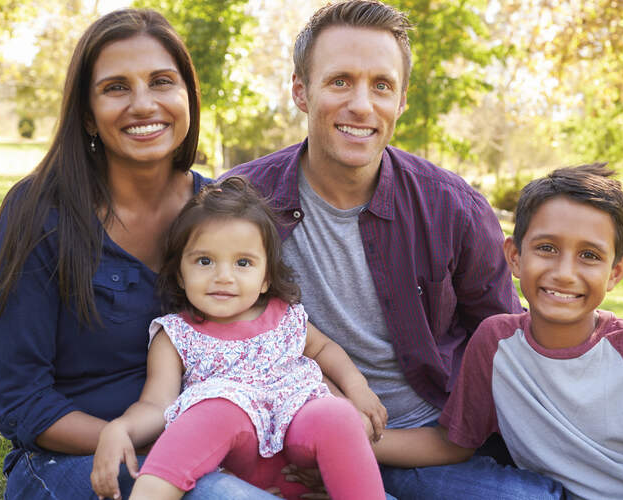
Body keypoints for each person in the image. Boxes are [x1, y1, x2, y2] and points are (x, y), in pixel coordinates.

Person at [221, 1, 565, 497]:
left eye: (381, 85)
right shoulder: (241, 201)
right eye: (340, 81)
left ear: (401, 100)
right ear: (300, 90)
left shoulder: (452, 207)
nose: (362, 105)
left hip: (430, 441)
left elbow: (502, 344)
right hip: (293, 445)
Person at [0, 9, 277, 499]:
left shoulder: (222, 216)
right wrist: (164, 448)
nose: (143, 104)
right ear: (88, 113)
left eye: (161, 82)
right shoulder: (37, 214)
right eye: (116, 87)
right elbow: (22, 403)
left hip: (221, 447)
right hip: (76, 460)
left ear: (187, 98)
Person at [371, 165, 623, 500]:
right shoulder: (494, 344)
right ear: (514, 257)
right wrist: (355, 442)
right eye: (547, 248)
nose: (564, 273)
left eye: (589, 256)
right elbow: (454, 444)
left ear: (616, 272)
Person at [89, 177, 386, 500]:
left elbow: (324, 348)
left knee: (338, 415)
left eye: (243, 263)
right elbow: (157, 404)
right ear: (179, 273)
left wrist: (357, 388)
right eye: (205, 261)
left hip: (300, 436)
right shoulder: (176, 334)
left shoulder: (284, 315)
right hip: (236, 454)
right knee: (218, 408)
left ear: (265, 278)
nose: (223, 276)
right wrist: (121, 428)